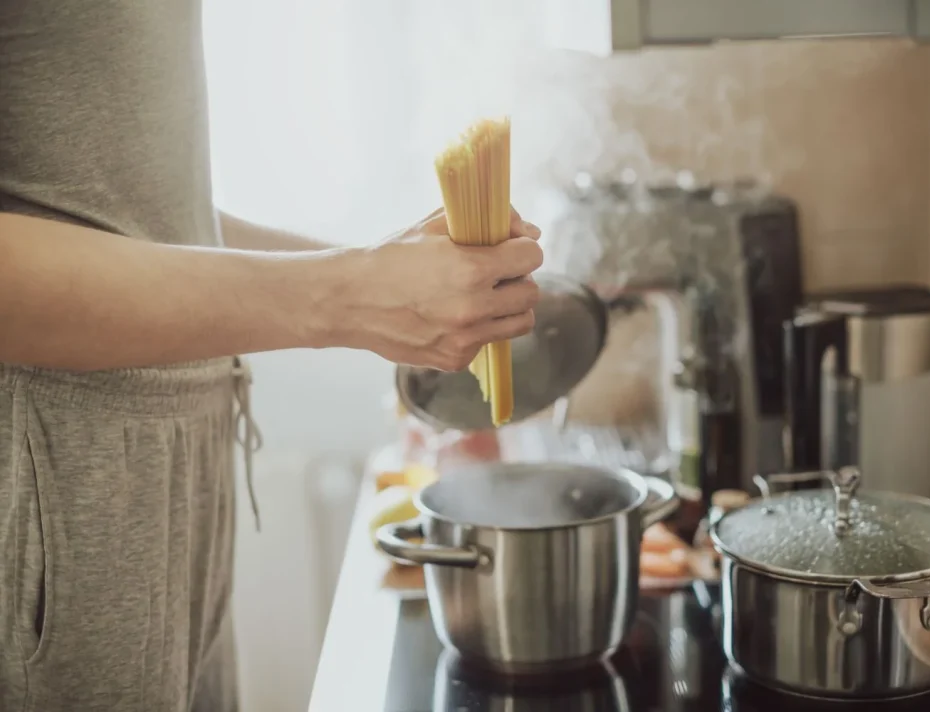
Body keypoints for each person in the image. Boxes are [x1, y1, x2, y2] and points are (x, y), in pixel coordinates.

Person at [0, 4, 543, 711]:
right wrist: (350, 293)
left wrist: (387, 274)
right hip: (51, 488)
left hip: (176, 470)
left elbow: (140, 211)